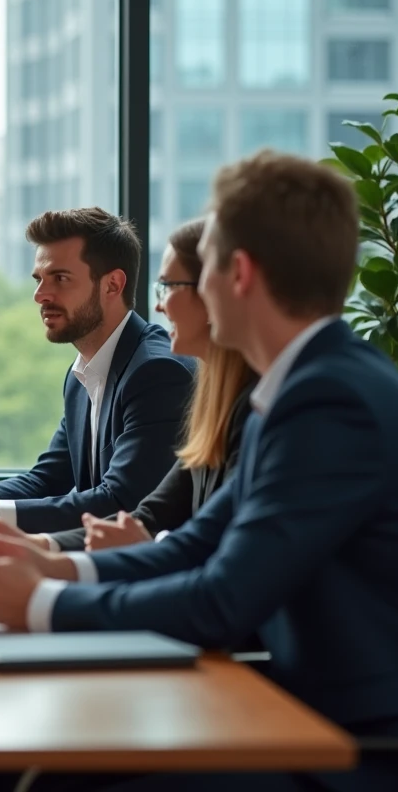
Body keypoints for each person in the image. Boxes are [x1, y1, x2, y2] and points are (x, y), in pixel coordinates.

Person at [0, 152, 398, 791]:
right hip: (286, 707)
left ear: (238, 274)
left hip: (344, 742)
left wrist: (41, 600)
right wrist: (55, 567)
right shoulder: (302, 385)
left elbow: (222, 598)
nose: (164, 305)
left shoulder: (328, 401)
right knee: (55, 771)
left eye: (197, 272)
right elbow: (194, 542)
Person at [0, 207, 195, 536]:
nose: (40, 295)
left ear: (112, 285)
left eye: (60, 279)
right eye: (39, 279)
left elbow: (123, 501)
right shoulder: (81, 375)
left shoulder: (157, 373)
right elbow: (48, 479)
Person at [39, 218, 256, 553]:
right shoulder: (217, 400)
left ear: (217, 291)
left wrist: (42, 559)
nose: (158, 305)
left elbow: (214, 552)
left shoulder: (165, 374)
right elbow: (148, 518)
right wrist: (39, 548)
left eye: (168, 286)